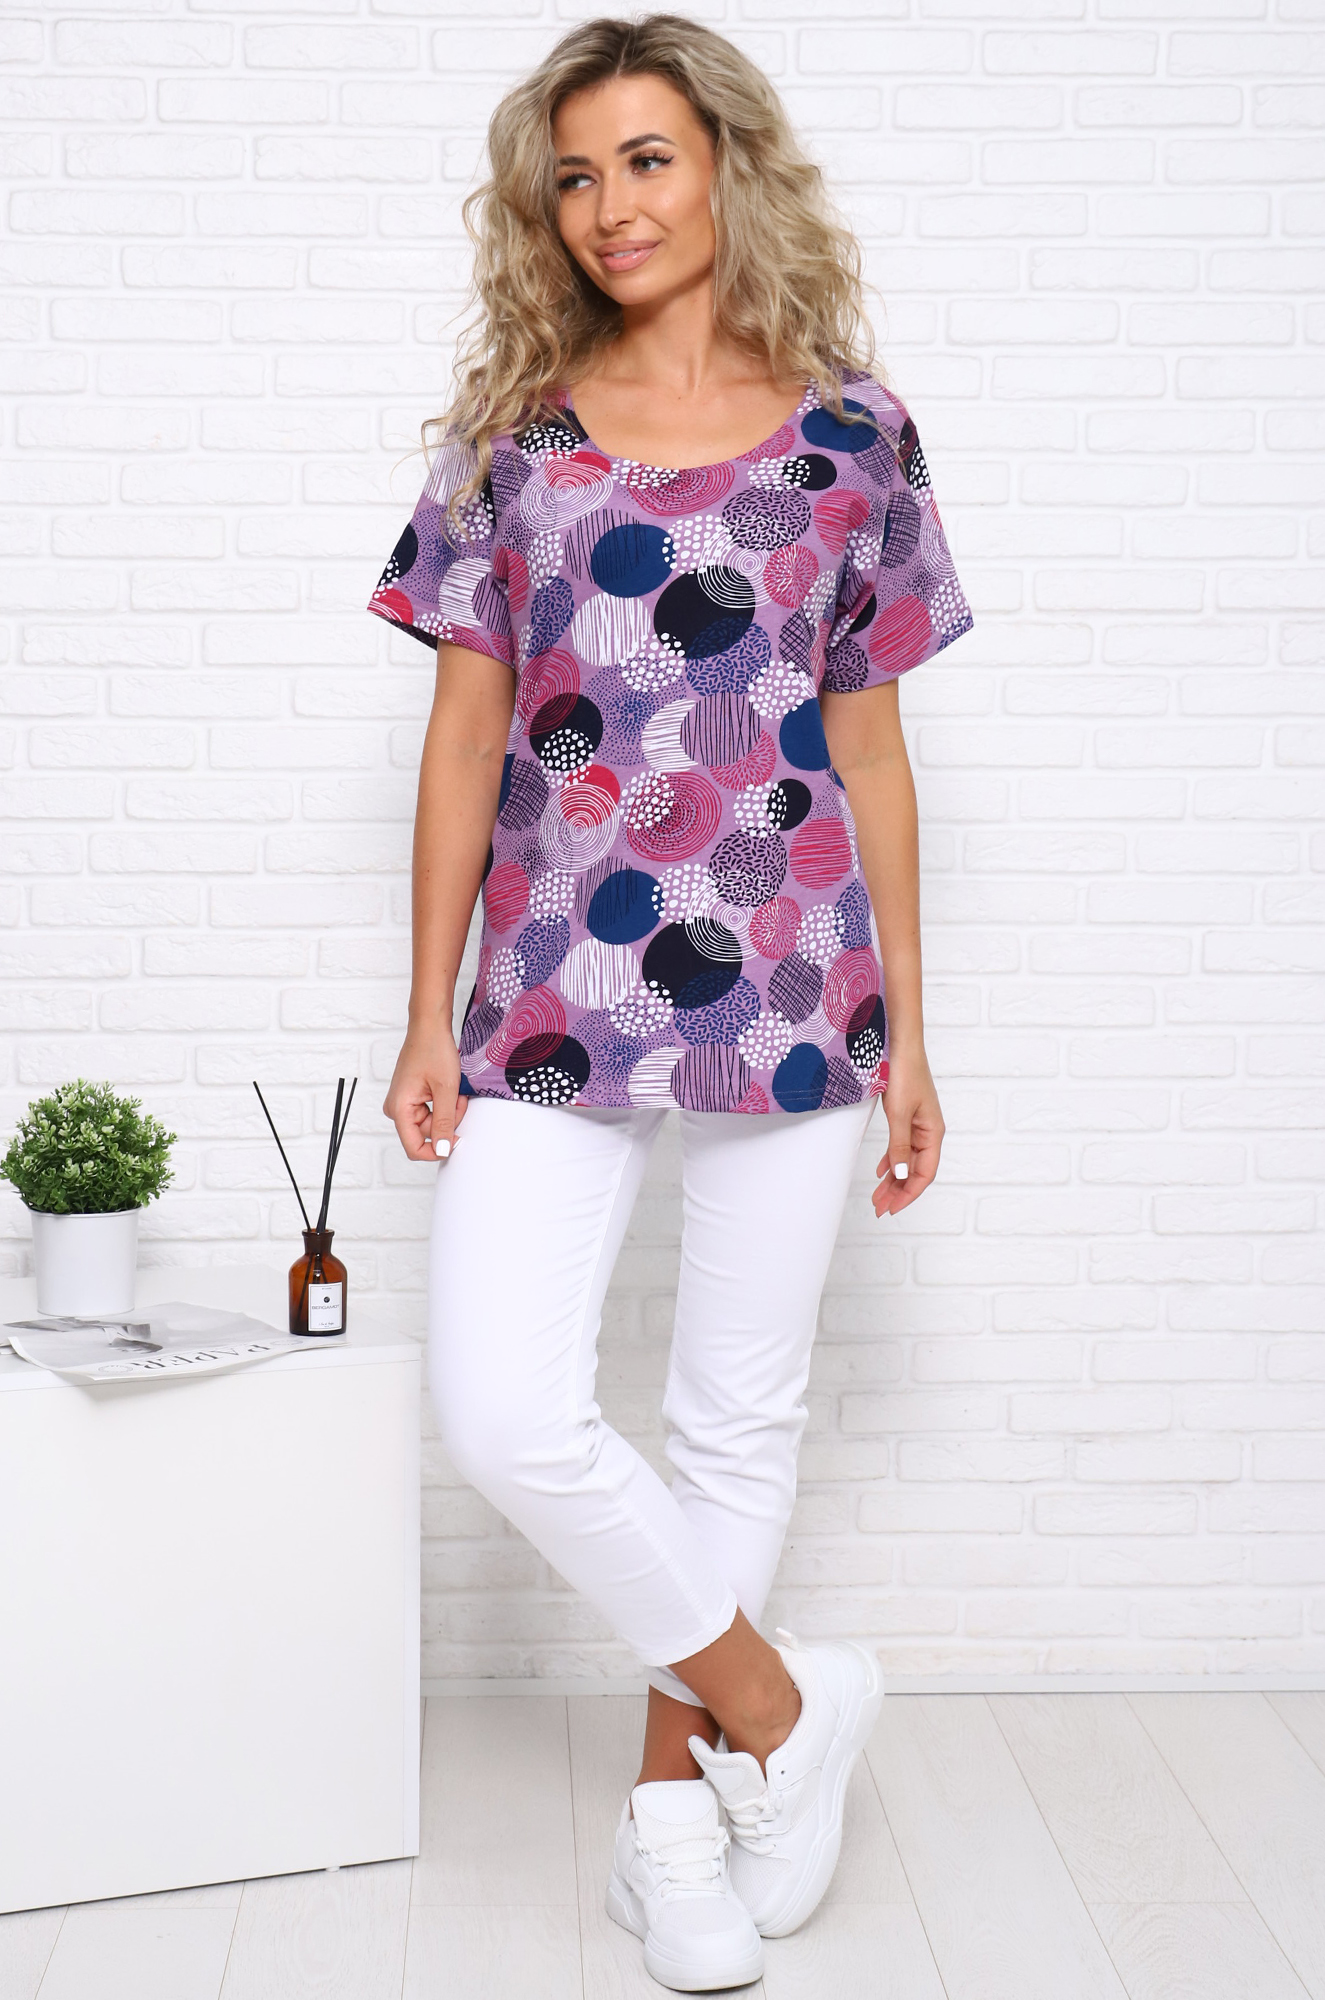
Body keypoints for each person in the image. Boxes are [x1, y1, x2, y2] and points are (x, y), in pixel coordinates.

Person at [368, 15, 973, 1991]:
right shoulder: (514, 442)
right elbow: (467, 744)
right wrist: (427, 1010)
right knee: (506, 1407)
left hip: (796, 981)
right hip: (552, 987)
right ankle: (784, 1709)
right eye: (573, 175)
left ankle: (670, 1819)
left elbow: (870, 753)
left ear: (724, 165)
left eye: (643, 159)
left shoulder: (855, 436)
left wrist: (911, 1030)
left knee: (732, 1419)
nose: (608, 206)